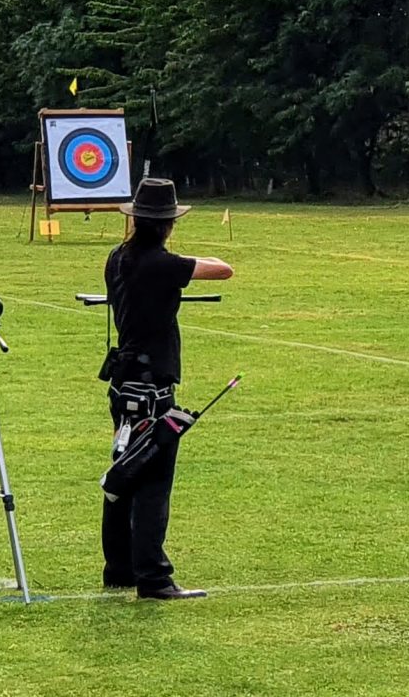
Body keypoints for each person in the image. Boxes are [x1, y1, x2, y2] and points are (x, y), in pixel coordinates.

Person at [100, 177, 234, 600]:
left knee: (124, 470)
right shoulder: (161, 264)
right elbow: (223, 268)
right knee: (152, 479)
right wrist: (180, 261)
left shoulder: (117, 257)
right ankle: (154, 578)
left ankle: (119, 567)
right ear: (168, 224)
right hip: (151, 388)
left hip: (124, 382)